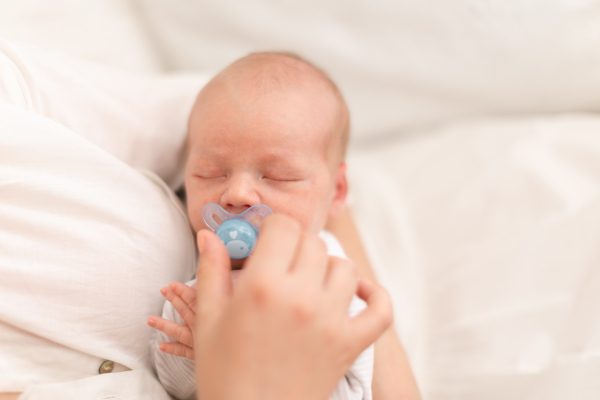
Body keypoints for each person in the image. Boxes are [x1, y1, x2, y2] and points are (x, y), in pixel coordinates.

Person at [148, 51, 374, 400]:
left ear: (337, 192)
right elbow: (170, 383)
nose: (237, 194)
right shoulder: (197, 280)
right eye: (210, 172)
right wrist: (204, 350)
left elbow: (359, 390)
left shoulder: (333, 277)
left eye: (278, 176)